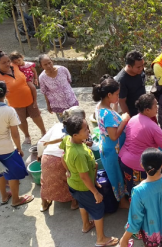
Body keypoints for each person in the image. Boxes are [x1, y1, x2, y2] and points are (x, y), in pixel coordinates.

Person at [62, 116, 119, 246]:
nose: (89, 131)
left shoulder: (68, 139)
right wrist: (95, 192)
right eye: (85, 130)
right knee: (98, 208)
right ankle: (101, 239)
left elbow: (63, 156)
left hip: (74, 184)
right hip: (84, 187)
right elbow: (84, 176)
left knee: (83, 204)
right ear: (75, 134)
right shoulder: (79, 154)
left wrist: (67, 169)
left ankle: (86, 225)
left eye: (87, 127)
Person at [119, 148, 162, 247]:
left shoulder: (139, 191)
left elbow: (135, 218)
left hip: (152, 232)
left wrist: (124, 239)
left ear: (141, 165)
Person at [119, 94, 162, 194]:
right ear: (147, 110)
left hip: (124, 161)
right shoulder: (153, 127)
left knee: (131, 189)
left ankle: (132, 206)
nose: (157, 108)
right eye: (155, 106)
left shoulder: (133, 119)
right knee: (142, 194)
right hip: (137, 166)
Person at [0, 81, 34, 207]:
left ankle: (4, 197)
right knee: (12, 175)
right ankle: (15, 200)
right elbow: (15, 134)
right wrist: (19, 148)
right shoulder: (9, 111)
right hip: (7, 150)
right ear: (6, 93)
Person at [37, 107, 88, 212]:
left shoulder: (57, 126)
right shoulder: (78, 131)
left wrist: (39, 155)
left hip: (47, 157)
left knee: (45, 180)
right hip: (63, 159)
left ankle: (44, 203)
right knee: (72, 178)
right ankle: (74, 202)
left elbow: (40, 143)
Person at [0, 48, 46, 144]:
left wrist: (33, 77)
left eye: (8, 61)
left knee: (36, 116)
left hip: (30, 98)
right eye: (4, 63)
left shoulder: (14, 65)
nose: (8, 64)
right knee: (22, 121)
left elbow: (26, 64)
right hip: (16, 103)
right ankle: (27, 136)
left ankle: (44, 132)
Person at [93, 76, 129, 208]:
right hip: (113, 150)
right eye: (117, 95)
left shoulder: (101, 107)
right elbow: (114, 136)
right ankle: (122, 202)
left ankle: (123, 198)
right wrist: (124, 120)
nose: (118, 97)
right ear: (109, 94)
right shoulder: (107, 114)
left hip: (109, 147)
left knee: (117, 172)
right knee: (117, 175)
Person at [38, 54, 79, 122]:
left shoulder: (63, 69)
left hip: (71, 100)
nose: (48, 66)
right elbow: (45, 92)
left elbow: (69, 80)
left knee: (78, 121)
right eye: (45, 64)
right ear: (41, 66)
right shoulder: (42, 78)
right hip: (58, 105)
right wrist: (48, 105)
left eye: (49, 63)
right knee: (65, 125)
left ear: (52, 61)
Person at [114, 50, 146, 117]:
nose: (141, 68)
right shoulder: (121, 80)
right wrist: (129, 119)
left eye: (142, 65)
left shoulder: (139, 71)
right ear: (129, 66)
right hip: (133, 113)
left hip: (145, 109)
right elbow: (122, 101)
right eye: (138, 67)